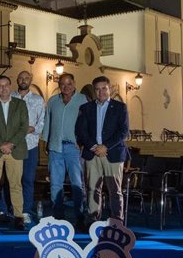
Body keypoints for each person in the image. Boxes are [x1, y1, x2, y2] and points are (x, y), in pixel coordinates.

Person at [75, 76, 129, 223]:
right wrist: (94, 147)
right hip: (92, 154)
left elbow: (123, 131)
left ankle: (117, 221)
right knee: (92, 188)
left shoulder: (120, 107)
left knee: (115, 191)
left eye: (104, 88)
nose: (101, 92)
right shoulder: (86, 108)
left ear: (109, 89)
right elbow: (81, 131)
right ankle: (93, 220)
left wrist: (105, 147)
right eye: (97, 89)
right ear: (94, 91)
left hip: (113, 153)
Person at [41, 73, 88, 224]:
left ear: (74, 83)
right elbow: (47, 122)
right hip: (55, 147)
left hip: (74, 148)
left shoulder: (83, 100)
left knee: (77, 183)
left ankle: (80, 215)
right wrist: (45, 142)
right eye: (62, 84)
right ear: (59, 85)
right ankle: (58, 217)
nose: (66, 87)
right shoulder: (53, 101)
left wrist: (83, 141)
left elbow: (86, 123)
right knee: (55, 183)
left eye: (69, 83)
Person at [0, 75, 28, 230]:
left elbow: (24, 127)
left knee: (15, 185)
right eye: (0, 86)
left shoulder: (20, 104)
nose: (3, 89)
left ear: (10, 86)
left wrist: (11, 144)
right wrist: (1, 145)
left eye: (6, 85)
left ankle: (18, 216)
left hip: (15, 150)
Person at [11, 71, 45, 224]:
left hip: (30, 144)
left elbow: (42, 121)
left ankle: (25, 210)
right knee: (13, 179)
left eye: (26, 78)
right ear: (17, 79)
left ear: (31, 80)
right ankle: (14, 209)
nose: (23, 80)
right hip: (13, 144)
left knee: (28, 179)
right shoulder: (10, 97)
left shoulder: (38, 100)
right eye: (21, 77)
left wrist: (33, 129)